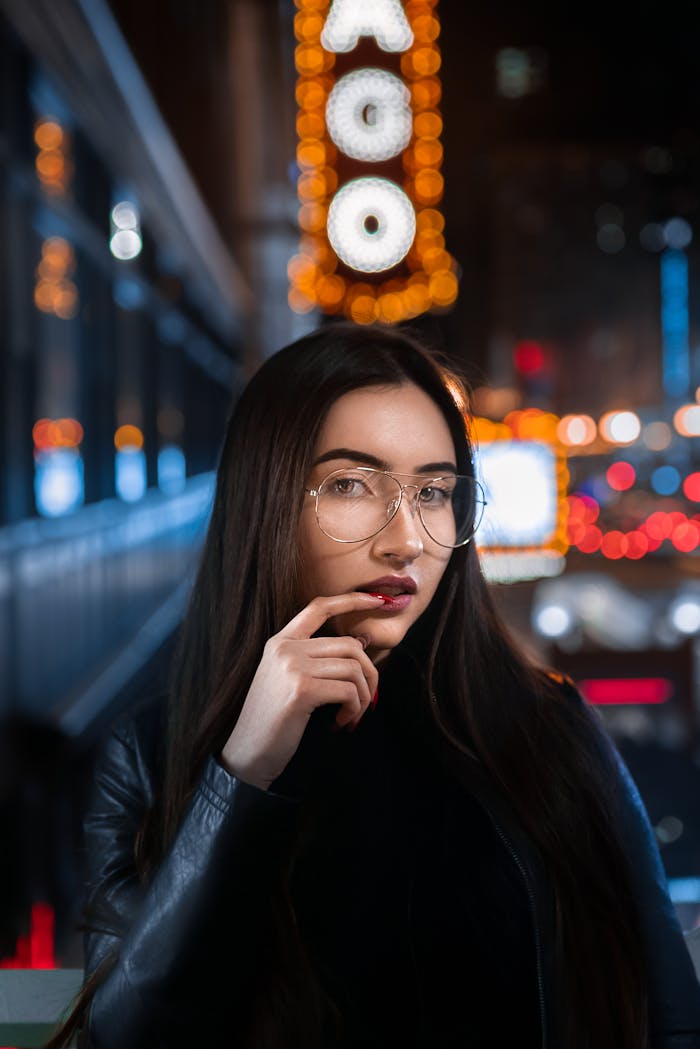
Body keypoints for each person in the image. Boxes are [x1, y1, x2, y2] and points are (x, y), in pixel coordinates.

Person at [48, 323, 700, 1049]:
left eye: (432, 490)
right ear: (264, 502)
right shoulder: (150, 753)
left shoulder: (546, 727)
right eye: (351, 484)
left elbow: (671, 1012)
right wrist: (242, 775)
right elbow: (121, 1038)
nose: (407, 539)